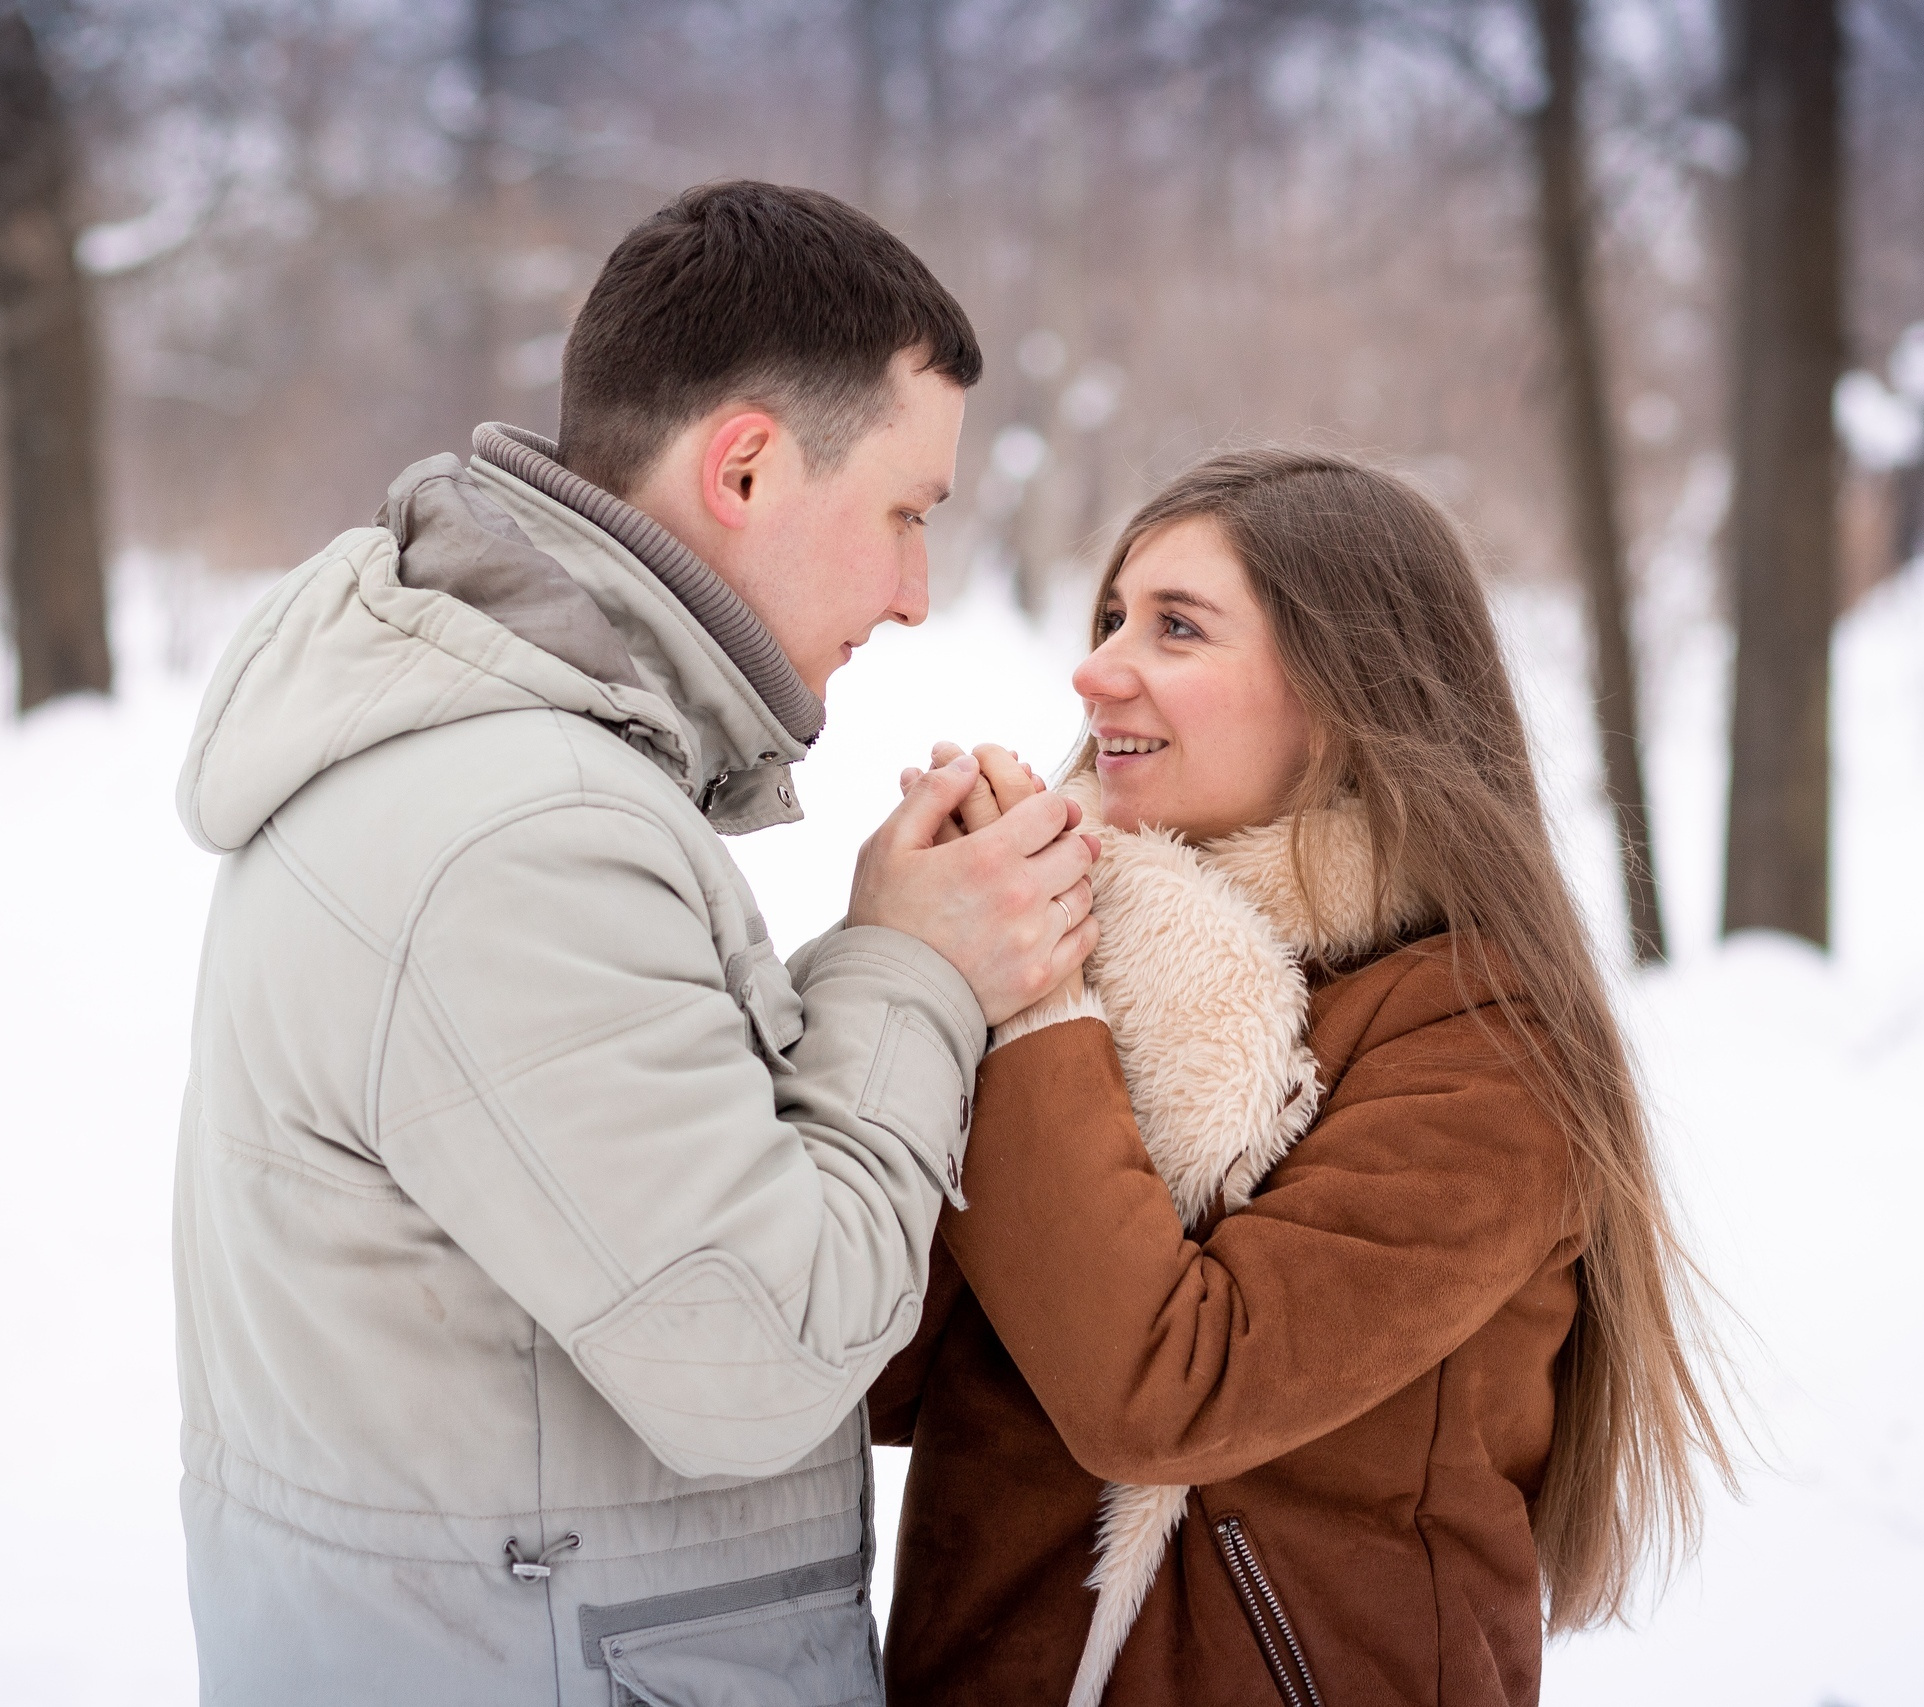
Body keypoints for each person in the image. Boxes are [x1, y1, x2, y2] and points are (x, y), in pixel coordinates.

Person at [169, 180, 1099, 1705]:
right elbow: (760, 1358)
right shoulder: (520, 829)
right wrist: (917, 969)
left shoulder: (500, 762)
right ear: (745, 465)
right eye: (906, 514)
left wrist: (899, 949)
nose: (914, 595)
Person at [870, 448, 1735, 1707]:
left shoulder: (1487, 1047)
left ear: (1342, 694)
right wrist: (907, 979)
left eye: (1175, 627)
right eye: (1111, 617)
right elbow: (875, 1371)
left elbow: (1167, 1394)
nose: (1096, 669)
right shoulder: (1070, 948)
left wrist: (1037, 1004)